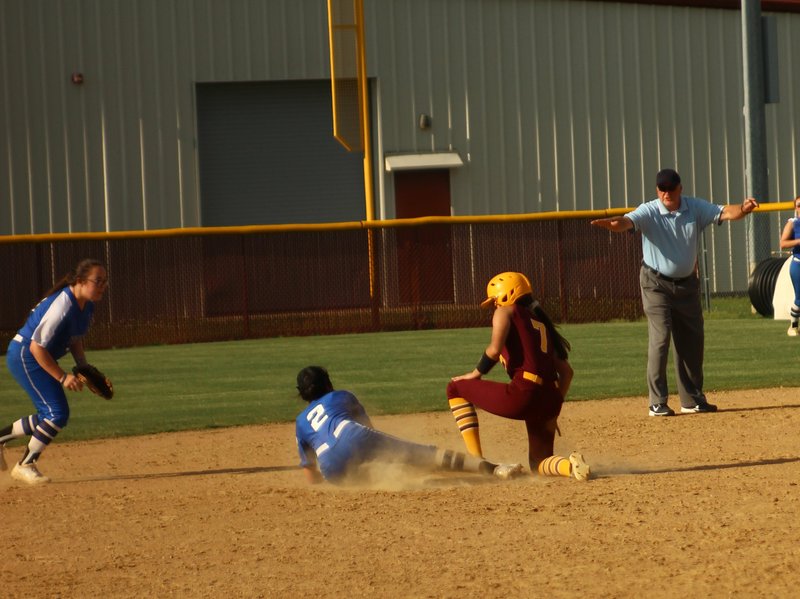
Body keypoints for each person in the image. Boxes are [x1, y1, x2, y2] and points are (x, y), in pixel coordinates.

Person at [591, 168, 758, 416]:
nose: (666, 193)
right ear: (657, 190)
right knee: (661, 338)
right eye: (662, 188)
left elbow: (725, 212)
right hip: (655, 283)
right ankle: (657, 401)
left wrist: (743, 209)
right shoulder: (649, 210)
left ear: (680, 188)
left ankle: (691, 399)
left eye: (670, 188)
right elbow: (626, 222)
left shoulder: (694, 207)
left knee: (692, 341)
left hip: (687, 284)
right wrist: (613, 225)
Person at [446, 271, 591, 481]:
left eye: (495, 301)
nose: (494, 307)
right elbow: (566, 372)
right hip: (550, 397)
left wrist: (475, 374)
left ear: (506, 295)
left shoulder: (506, 311)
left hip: (524, 393)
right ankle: (570, 466)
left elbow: (494, 351)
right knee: (539, 463)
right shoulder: (540, 322)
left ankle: (476, 461)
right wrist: (553, 410)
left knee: (455, 388)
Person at [294, 365, 524, 485]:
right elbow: (369, 432)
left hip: (331, 470)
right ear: (327, 383)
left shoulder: (300, 422)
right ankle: (494, 468)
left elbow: (311, 476)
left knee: (375, 472)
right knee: (420, 454)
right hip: (352, 436)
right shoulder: (340, 396)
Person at [0, 258, 109, 485]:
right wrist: (62, 376)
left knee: (48, 414)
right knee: (57, 413)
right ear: (80, 281)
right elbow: (36, 347)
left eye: (105, 282)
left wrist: (82, 366)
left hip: (33, 355)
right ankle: (25, 464)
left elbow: (75, 339)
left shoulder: (86, 305)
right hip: (25, 356)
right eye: (97, 281)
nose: (102, 286)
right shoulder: (62, 305)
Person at [779, 195, 800, 336]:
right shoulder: (793, 223)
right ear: (795, 208)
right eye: (799, 205)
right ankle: (793, 327)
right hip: (798, 264)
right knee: (799, 298)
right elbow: (783, 243)